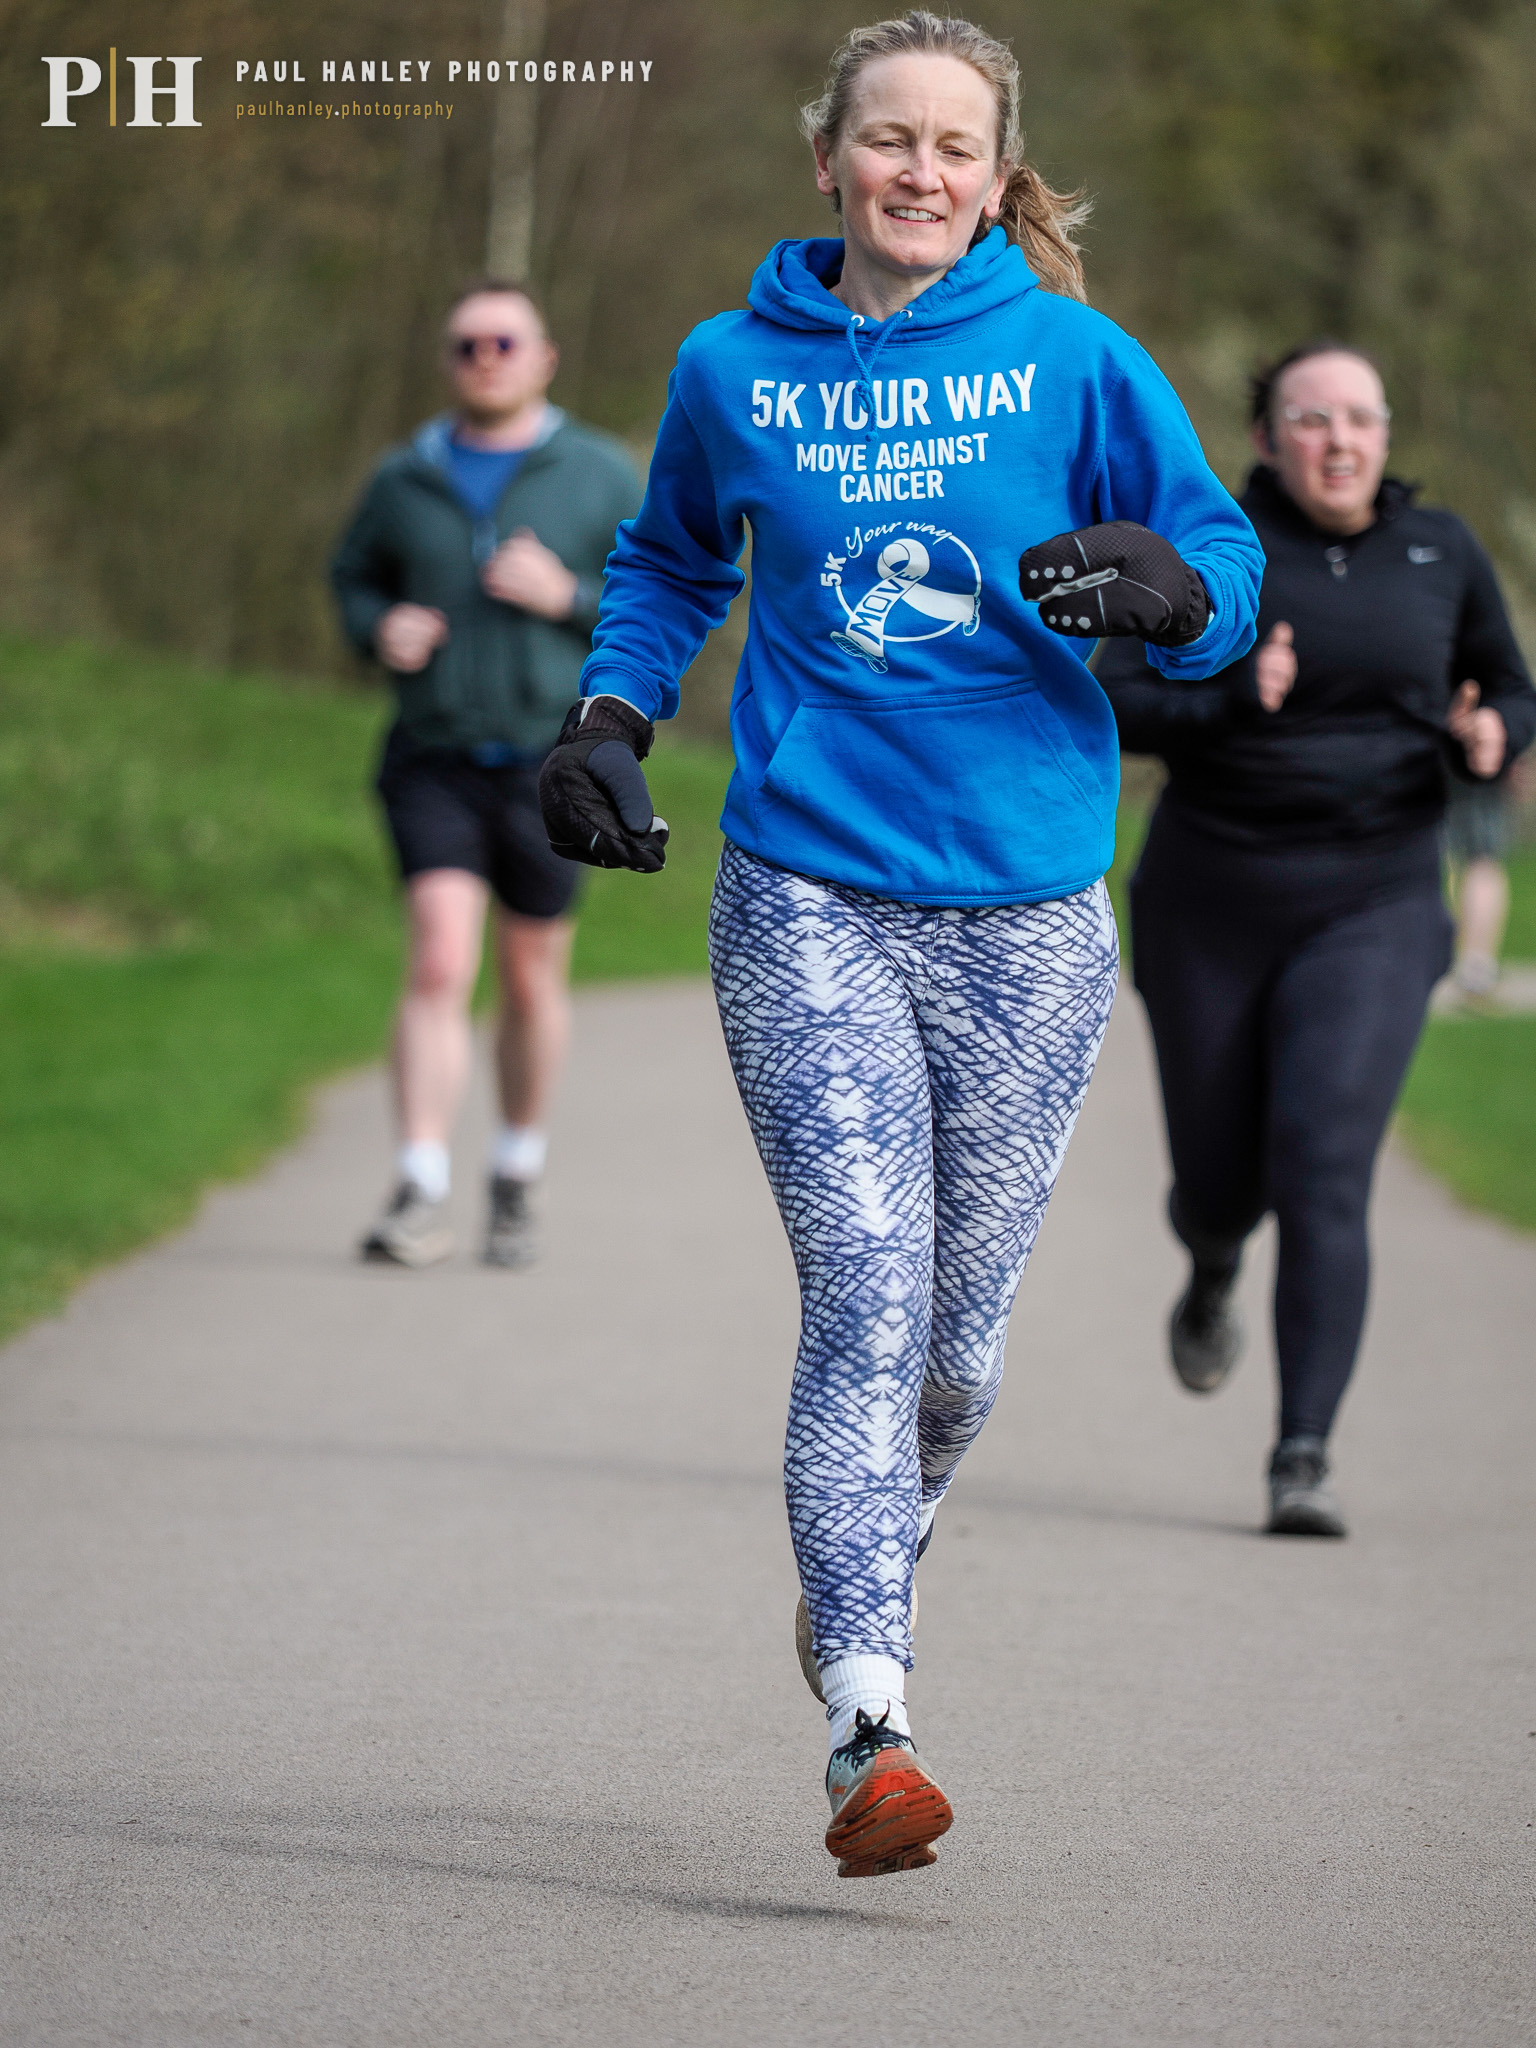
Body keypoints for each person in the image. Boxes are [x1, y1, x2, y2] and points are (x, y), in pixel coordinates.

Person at [538, 10, 1263, 1878]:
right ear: (827, 161)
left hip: (1027, 906)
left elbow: (1217, 565)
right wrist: (609, 719)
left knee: (960, 1358)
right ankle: (873, 1713)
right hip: (808, 888)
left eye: (954, 146)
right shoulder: (730, 365)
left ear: (993, 170)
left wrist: (1178, 599)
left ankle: (858, 1552)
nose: (918, 173)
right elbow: (671, 558)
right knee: (862, 1292)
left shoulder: (1073, 357)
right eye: (888, 141)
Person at [1098, 340, 1536, 1538]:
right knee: (1220, 1180)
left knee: (1324, 1161)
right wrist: (1235, 696)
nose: (1341, 441)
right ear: (1266, 439)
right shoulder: (1212, 547)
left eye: (1361, 418)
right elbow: (1116, 693)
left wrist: (1489, 730)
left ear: (1386, 433)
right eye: (1312, 420)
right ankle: (1211, 1256)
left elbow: (1508, 683)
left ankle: (1302, 1450)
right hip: (1212, 901)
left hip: (1377, 900)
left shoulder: (1442, 552)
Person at [331, 282, 641, 1268]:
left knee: (529, 973)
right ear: (448, 359)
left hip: (555, 763)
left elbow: (659, 598)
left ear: (543, 357)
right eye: (467, 343)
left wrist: (567, 595)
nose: (486, 357)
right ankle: (421, 1182)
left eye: (505, 341)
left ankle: (514, 1168)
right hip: (432, 754)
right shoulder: (403, 476)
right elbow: (353, 576)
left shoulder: (596, 472)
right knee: (437, 957)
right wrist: (377, 627)